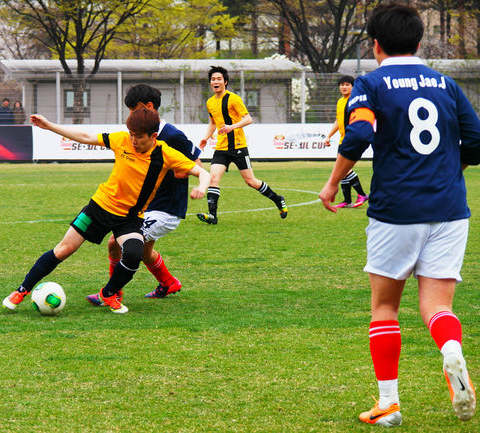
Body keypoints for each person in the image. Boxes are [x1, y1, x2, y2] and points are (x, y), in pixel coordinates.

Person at [319, 3, 478, 427]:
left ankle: (389, 404)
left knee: (385, 306)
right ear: (419, 42)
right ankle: (451, 350)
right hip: (449, 209)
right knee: (437, 305)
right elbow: (477, 142)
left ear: (376, 45)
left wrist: (332, 183)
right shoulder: (446, 84)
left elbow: (358, 133)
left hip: (396, 210)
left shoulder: (371, 83)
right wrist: (450, 172)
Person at [3, 108, 210, 314]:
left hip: (130, 218)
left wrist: (201, 186)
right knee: (63, 250)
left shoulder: (166, 154)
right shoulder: (121, 140)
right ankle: (21, 291)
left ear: (153, 136)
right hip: (99, 208)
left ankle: (108, 293)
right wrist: (49, 126)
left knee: (134, 253)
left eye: (139, 137)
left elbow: (202, 172)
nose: (133, 140)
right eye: (131, 134)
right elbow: (86, 137)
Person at [86, 84, 202, 302]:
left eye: (134, 109)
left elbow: (196, 163)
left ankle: (112, 293)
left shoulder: (172, 135)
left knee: (114, 243)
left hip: (166, 208)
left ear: (148, 106)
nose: (131, 114)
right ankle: (169, 282)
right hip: (145, 207)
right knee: (146, 253)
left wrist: (178, 170)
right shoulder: (138, 135)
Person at [197, 65, 287, 225]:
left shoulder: (233, 99)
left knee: (251, 181)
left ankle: (278, 199)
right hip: (221, 148)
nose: (215, 82)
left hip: (238, 147)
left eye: (219, 79)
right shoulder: (210, 102)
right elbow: (213, 123)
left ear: (225, 82)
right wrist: (206, 138)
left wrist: (231, 127)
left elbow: (248, 119)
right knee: (213, 178)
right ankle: (212, 216)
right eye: (213, 79)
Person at [325, 75, 368, 208]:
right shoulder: (340, 102)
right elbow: (338, 121)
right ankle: (347, 200)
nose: (344, 87)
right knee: (342, 170)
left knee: (344, 169)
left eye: (347, 84)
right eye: (342, 84)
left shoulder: (354, 100)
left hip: (351, 138)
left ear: (353, 87)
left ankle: (362, 194)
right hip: (342, 139)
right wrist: (329, 135)